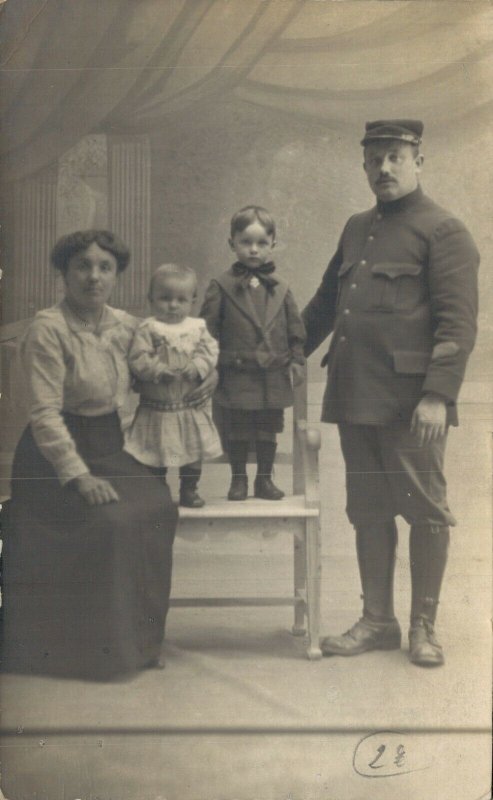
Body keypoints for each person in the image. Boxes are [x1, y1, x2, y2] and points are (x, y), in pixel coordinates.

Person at [302, 120, 479, 667]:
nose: (384, 168)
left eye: (395, 157)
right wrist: (280, 354)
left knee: (426, 513)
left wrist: (436, 396)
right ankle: (378, 620)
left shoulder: (444, 231)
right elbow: (324, 308)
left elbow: (458, 326)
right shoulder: (357, 227)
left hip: (411, 404)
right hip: (355, 395)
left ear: (418, 161)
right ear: (363, 167)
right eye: (374, 158)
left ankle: (424, 627)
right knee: (367, 511)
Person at [1, 230, 202, 680]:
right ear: (64, 273)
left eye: (104, 268)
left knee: (156, 506)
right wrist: (78, 477)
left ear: (116, 276)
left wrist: (192, 374)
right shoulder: (48, 329)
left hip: (110, 447)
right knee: (110, 520)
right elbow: (44, 415)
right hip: (51, 460)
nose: (94, 277)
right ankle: (97, 654)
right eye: (83, 267)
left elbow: (160, 366)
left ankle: (143, 643)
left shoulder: (126, 326)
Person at [201, 205, 306, 501]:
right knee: (238, 430)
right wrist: (210, 366)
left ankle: (264, 481)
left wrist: (296, 359)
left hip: (272, 375)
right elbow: (207, 331)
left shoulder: (282, 289)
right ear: (232, 243)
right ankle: (238, 481)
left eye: (261, 243)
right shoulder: (220, 286)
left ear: (273, 243)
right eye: (246, 242)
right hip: (236, 373)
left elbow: (296, 330)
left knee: (267, 429)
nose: (253, 250)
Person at [124, 264, 222, 508]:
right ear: (151, 299)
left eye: (181, 299)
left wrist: (198, 366)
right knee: (156, 451)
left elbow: (210, 351)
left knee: (192, 450)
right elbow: (137, 358)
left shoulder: (197, 327)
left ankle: (189, 489)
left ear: (192, 301)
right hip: (158, 406)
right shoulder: (148, 328)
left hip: (189, 405)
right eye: (165, 299)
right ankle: (158, 491)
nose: (173, 305)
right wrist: (157, 370)